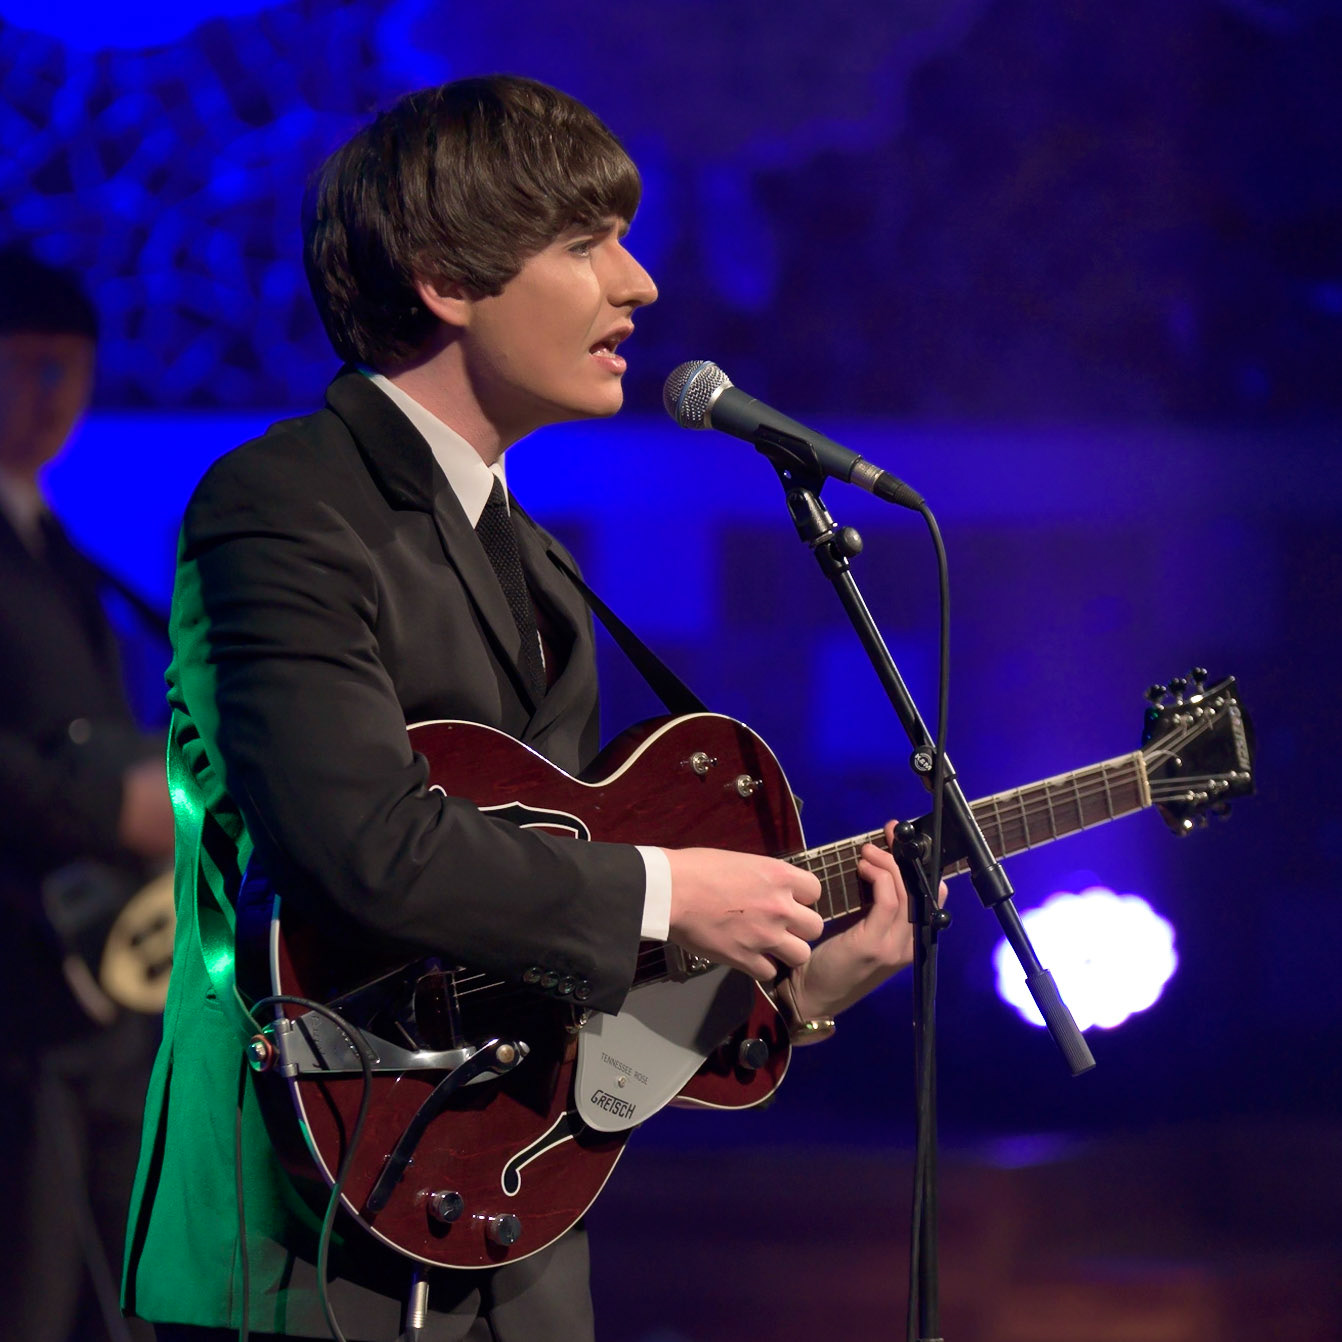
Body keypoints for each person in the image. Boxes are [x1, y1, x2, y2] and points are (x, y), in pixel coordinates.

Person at [123, 76, 923, 1342]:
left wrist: (800, 987)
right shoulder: (280, 504)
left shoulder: (534, 557)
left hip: (510, 1254)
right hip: (296, 1246)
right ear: (445, 277)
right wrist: (668, 892)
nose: (641, 282)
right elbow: (360, 847)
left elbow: (538, 985)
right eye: (585, 243)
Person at [0, 245, 172, 1342]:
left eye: (71, 371)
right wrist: (104, 808)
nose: (52, 400)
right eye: (26, 369)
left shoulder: (50, 534)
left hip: (94, 985)